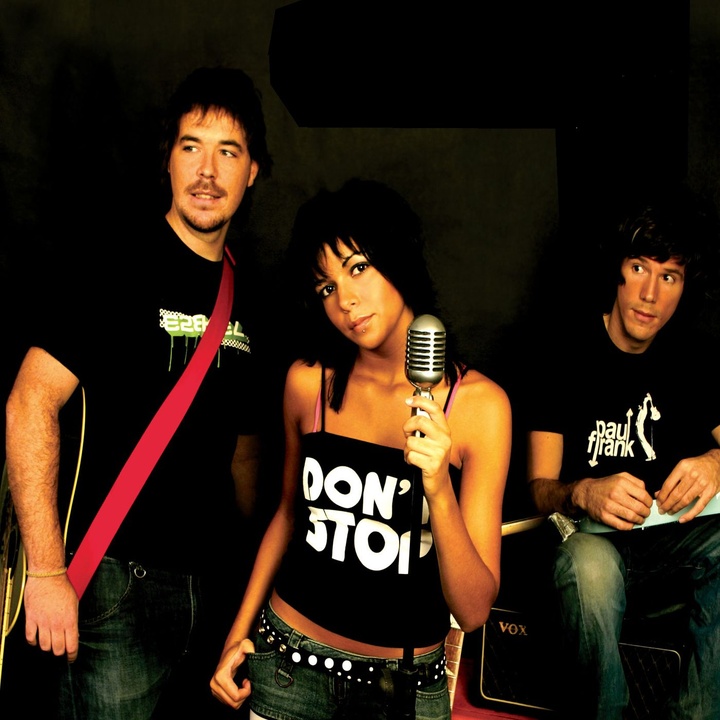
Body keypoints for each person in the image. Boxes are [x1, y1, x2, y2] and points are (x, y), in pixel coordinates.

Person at [4, 66, 272, 718]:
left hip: (209, 596)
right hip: (111, 589)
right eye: (191, 146)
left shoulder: (251, 296)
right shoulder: (115, 262)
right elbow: (30, 401)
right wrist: (46, 572)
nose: (207, 171)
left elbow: (245, 453)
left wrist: (245, 583)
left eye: (228, 152)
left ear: (252, 172)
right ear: (169, 160)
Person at [209, 178, 511, 720]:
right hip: (287, 669)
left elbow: (472, 611)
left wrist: (439, 489)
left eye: (358, 268)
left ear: (399, 259)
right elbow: (287, 515)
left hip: (404, 690)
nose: (345, 301)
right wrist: (237, 633)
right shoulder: (308, 384)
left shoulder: (479, 407)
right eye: (326, 287)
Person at [524, 184, 720, 719]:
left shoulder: (695, 357)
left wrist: (715, 462)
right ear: (617, 269)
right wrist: (581, 492)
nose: (650, 294)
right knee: (589, 567)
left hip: (669, 552)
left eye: (669, 277)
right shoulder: (562, 350)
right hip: (591, 547)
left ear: (684, 287)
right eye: (639, 268)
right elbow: (538, 490)